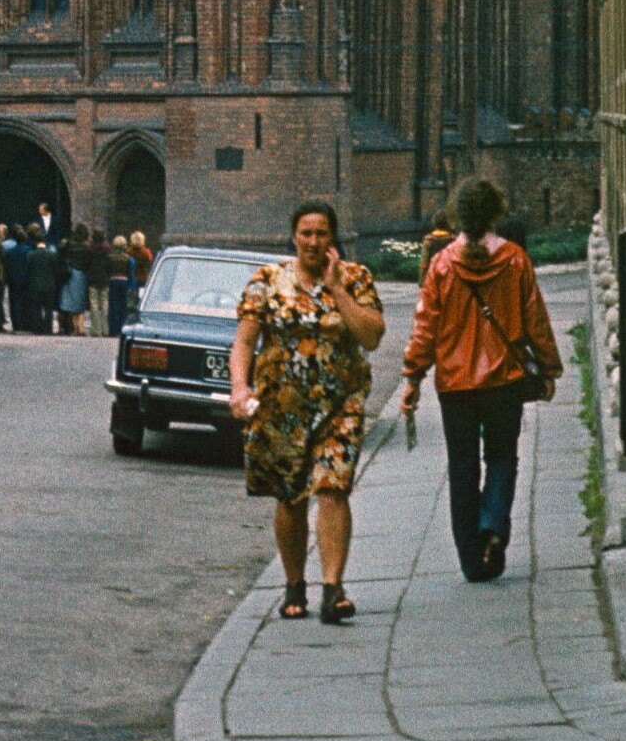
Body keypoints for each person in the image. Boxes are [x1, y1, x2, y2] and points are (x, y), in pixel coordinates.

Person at [228, 200, 385, 625]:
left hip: (340, 404)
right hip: (283, 407)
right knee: (291, 495)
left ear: (333, 237)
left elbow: (371, 337)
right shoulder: (266, 280)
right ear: (294, 237)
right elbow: (245, 341)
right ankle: (295, 584)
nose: (314, 242)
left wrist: (336, 289)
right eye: (306, 233)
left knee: (334, 488)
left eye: (321, 233)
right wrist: (239, 387)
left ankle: (333, 589)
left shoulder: (356, 278)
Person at [399, 175, 562, 584]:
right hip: (504, 379)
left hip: (455, 385)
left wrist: (413, 376)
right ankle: (492, 526)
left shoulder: (441, 265)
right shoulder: (515, 260)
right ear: (496, 213)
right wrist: (549, 368)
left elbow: (425, 326)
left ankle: (471, 560)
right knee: (503, 457)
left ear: (456, 215)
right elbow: (535, 319)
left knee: (462, 467)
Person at [24, 225, 60, 334]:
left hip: (35, 285)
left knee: (36, 308)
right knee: (48, 309)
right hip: (49, 285)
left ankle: (37, 328)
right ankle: (48, 329)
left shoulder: (31, 255)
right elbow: (56, 270)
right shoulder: (52, 254)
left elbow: (28, 271)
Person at [58, 225, 91, 337]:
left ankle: (73, 327)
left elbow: (61, 253)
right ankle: (81, 328)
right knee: (80, 303)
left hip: (71, 273)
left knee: (71, 301)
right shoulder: (87, 246)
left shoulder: (69, 244)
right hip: (82, 274)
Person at [2, 223, 30, 333]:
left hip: (13, 280)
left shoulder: (10, 252)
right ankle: (25, 323)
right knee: (25, 301)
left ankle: (17, 325)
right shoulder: (29, 251)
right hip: (26, 279)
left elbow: (7, 266)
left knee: (14, 302)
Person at [105, 235, 135, 339]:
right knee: (123, 306)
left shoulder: (109, 258)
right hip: (124, 281)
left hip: (113, 281)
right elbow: (131, 273)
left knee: (113, 306)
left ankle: (113, 330)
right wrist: (130, 283)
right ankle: (122, 328)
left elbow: (107, 270)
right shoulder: (128, 259)